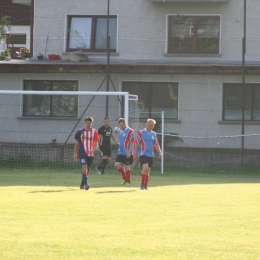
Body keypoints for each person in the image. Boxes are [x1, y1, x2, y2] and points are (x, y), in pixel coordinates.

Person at [134, 119, 162, 190]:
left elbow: (156, 144)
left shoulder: (154, 134)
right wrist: (135, 153)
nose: (151, 127)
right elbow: (137, 143)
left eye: (152, 126)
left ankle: (145, 185)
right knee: (145, 168)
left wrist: (160, 152)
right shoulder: (141, 133)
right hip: (143, 153)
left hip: (150, 154)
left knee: (148, 170)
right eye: (150, 125)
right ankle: (141, 185)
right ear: (146, 125)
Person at [73, 116, 99, 190]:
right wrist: (75, 153)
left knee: (87, 169)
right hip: (82, 153)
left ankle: (82, 184)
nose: (89, 124)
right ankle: (86, 184)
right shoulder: (79, 132)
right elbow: (77, 144)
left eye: (90, 123)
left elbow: (96, 143)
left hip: (90, 153)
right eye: (87, 123)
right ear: (85, 123)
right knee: (84, 167)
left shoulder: (94, 132)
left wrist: (93, 149)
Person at [114, 118, 136, 184]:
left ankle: (128, 181)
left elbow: (132, 142)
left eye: (122, 125)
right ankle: (125, 178)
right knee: (117, 164)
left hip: (127, 152)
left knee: (127, 166)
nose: (121, 127)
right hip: (120, 151)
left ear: (125, 124)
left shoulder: (130, 131)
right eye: (120, 126)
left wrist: (129, 152)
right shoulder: (121, 130)